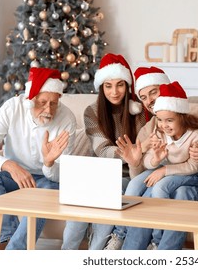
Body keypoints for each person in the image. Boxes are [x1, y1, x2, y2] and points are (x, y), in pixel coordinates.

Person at [103, 66, 198, 250]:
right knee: (142, 190)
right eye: (143, 97)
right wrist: (135, 161)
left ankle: (157, 247)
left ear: (166, 87)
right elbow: (141, 174)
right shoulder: (152, 128)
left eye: (153, 92)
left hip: (197, 177)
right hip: (163, 175)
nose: (149, 101)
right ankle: (127, 245)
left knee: (160, 192)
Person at [0, 67, 76, 250]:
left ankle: (15, 251)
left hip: (47, 181)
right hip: (15, 176)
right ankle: (5, 239)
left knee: (48, 189)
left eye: (53, 103)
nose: (48, 110)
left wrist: (49, 162)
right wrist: (8, 164)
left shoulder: (67, 119)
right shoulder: (13, 107)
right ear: (30, 98)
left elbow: (65, 176)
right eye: (42, 102)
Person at [61, 53, 146, 250]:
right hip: (101, 171)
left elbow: (142, 148)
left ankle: (95, 255)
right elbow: (101, 149)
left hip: (128, 175)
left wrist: (133, 156)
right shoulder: (92, 112)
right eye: (108, 86)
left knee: (107, 203)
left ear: (127, 85)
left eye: (120, 85)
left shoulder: (139, 111)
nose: (114, 92)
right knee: (78, 205)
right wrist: (126, 152)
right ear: (101, 87)